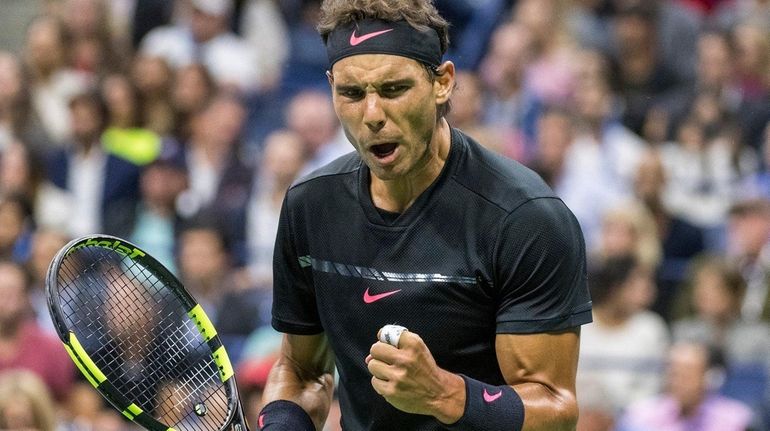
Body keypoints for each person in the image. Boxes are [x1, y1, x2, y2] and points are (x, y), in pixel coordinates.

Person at [259, 1, 593, 430]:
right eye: (352, 93)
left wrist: (443, 392)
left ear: (443, 83)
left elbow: (557, 408)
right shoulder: (310, 206)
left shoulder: (525, 219)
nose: (373, 115)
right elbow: (302, 372)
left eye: (394, 89)